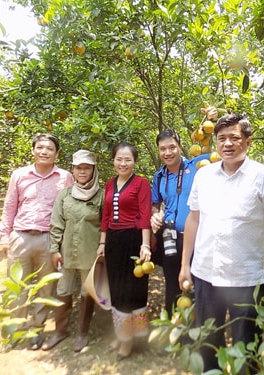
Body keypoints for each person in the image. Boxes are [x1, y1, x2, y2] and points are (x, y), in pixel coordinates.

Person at [178, 113, 264, 373]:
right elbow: (193, 219)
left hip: (246, 280)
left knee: (247, 347)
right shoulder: (204, 177)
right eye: (221, 138)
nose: (227, 144)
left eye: (234, 138)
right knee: (207, 342)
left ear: (247, 141)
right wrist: (185, 265)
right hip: (206, 275)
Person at [0, 133, 74, 350]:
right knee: (16, 287)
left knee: (45, 288)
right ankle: (14, 330)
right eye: (40, 147)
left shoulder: (65, 177)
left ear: (57, 154)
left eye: (49, 149)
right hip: (20, 236)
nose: (44, 152)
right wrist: (4, 236)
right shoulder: (20, 175)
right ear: (32, 150)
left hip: (49, 239)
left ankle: (36, 330)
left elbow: (67, 210)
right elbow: (9, 206)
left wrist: (62, 244)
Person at [151, 108, 217, 316]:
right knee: (172, 284)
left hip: (197, 238)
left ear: (180, 147)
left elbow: (215, 149)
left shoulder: (197, 166)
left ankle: (196, 333)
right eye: (163, 149)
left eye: (172, 147)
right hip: (170, 238)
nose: (168, 152)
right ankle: (172, 329)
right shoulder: (159, 176)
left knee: (197, 285)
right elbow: (155, 204)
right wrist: (154, 215)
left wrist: (211, 121)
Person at [41, 150, 104, 352]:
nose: (82, 172)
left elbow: (106, 226)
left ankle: (82, 333)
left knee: (87, 292)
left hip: (90, 252)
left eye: (87, 168)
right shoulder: (65, 195)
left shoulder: (102, 196)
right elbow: (56, 224)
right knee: (63, 290)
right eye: (79, 168)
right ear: (73, 170)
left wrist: (103, 250)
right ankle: (60, 331)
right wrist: (54, 249)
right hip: (67, 252)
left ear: (93, 170)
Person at [97, 142, 152, 361]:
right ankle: (122, 335)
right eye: (119, 159)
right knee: (117, 290)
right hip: (113, 242)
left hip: (134, 240)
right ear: (113, 160)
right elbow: (106, 216)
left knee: (134, 290)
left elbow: (145, 214)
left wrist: (145, 244)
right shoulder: (109, 184)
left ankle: (134, 340)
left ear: (134, 162)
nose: (123, 163)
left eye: (128, 159)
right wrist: (102, 243)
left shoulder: (141, 183)